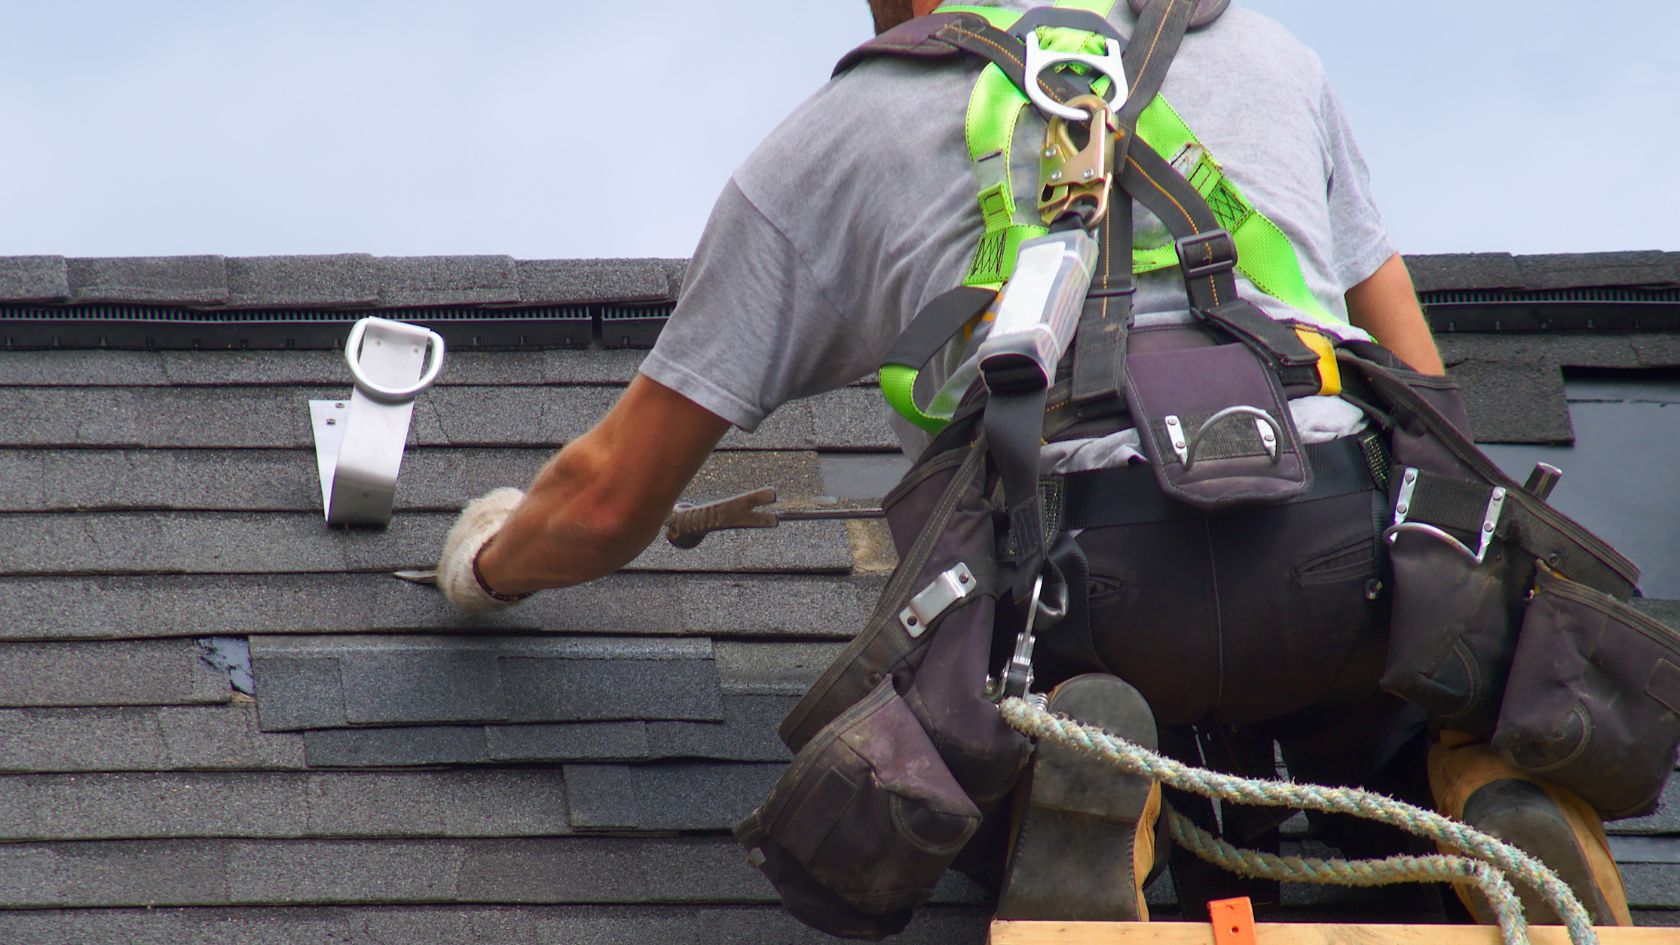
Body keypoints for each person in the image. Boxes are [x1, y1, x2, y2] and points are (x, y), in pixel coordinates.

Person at [434, 0, 1632, 928]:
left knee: (988, 701)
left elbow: (604, 500)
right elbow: (1432, 408)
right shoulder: (1270, 57)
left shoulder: (836, 136)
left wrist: (485, 566)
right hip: (1343, 566)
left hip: (1084, 592)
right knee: (1397, 698)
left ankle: (1085, 793)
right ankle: (1471, 790)